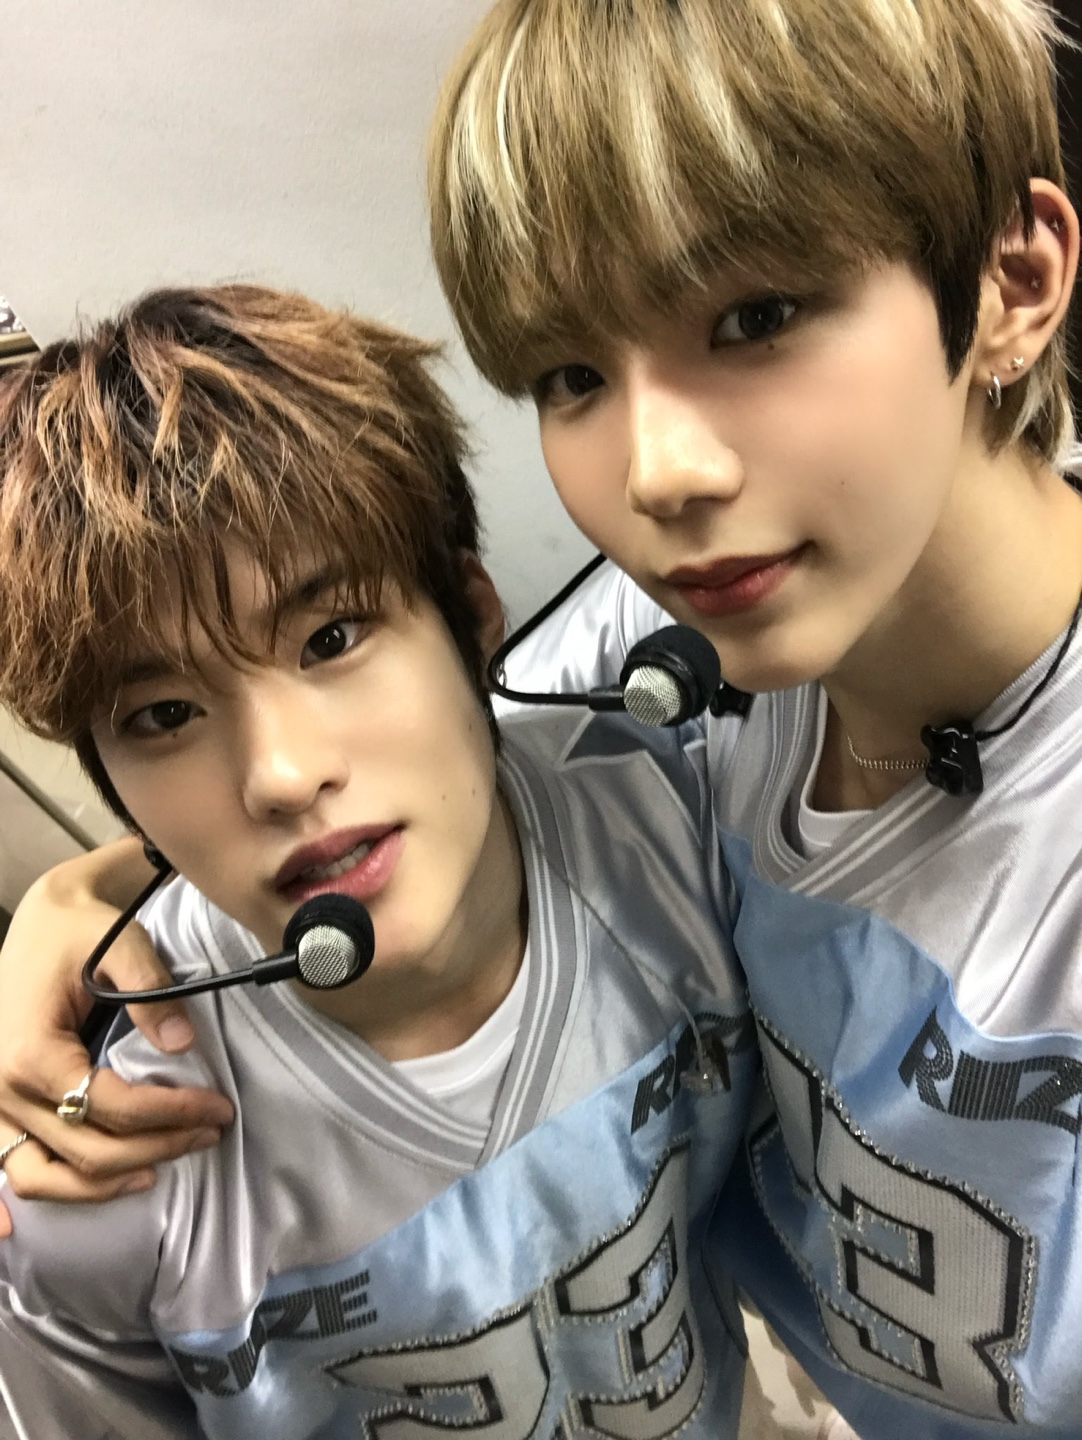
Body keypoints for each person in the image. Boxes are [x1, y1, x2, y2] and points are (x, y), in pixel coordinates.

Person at [0, 0, 1079, 1432]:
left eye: (756, 317)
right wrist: (83, 907)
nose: (658, 473)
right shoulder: (690, 647)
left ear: (1011, 277)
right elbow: (416, 739)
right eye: (572, 375)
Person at [0, 285, 758, 1436]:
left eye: (331, 638)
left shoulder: (677, 820)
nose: (281, 775)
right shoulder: (94, 1173)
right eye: (162, 715)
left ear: (472, 616)